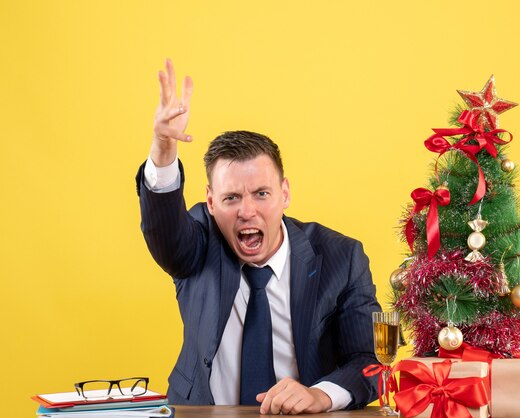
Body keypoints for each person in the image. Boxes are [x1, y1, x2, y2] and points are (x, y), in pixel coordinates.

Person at [136, 59, 380, 414]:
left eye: (261, 194)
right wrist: (162, 149)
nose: (247, 211)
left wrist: (321, 395)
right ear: (211, 202)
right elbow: (167, 234)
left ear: (285, 193)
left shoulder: (342, 257)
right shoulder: (200, 240)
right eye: (231, 198)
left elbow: (369, 363)